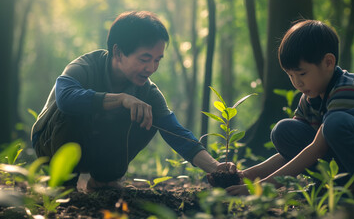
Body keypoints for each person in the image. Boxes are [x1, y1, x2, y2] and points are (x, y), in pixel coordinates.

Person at [31, 11, 231, 191]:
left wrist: (215, 167)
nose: (151, 67)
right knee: (74, 107)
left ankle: (104, 179)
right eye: (144, 59)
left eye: (157, 60)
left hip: (94, 149)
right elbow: (65, 99)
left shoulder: (148, 92)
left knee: (149, 113)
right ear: (118, 52)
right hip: (50, 145)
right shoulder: (85, 66)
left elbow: (176, 132)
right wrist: (121, 99)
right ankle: (63, 184)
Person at [225, 20, 354, 196]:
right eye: (291, 75)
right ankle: (335, 184)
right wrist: (247, 176)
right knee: (283, 131)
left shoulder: (347, 88)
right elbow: (295, 152)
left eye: (302, 73)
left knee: (334, 122)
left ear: (328, 63)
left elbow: (316, 149)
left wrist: (262, 188)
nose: (297, 83)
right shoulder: (310, 97)